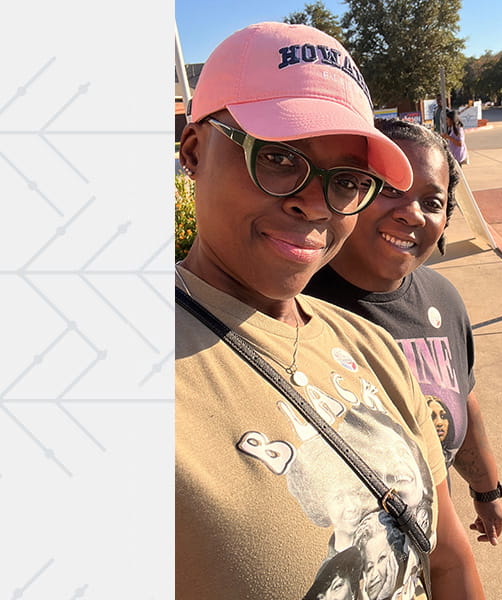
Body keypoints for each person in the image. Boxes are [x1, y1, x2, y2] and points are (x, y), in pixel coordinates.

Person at [175, 22, 485, 600]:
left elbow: (446, 563)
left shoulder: (371, 346)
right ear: (194, 152)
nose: (315, 201)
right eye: (277, 157)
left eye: (347, 179)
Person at [305, 118, 502, 546]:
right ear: (349, 192)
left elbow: (461, 397)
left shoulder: (443, 298)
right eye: (391, 189)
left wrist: (486, 489)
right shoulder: (296, 306)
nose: (412, 213)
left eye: (431, 202)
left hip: (430, 544)